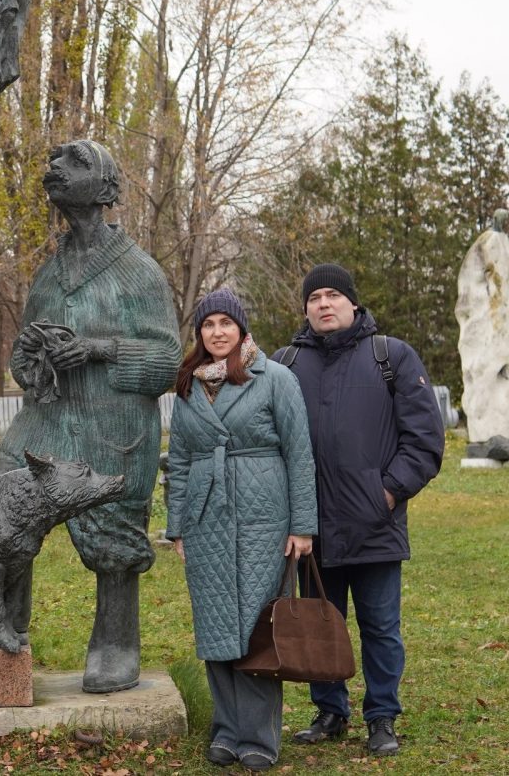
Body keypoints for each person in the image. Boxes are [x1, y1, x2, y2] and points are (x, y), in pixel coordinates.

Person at [0, 139, 182, 693]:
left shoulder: (138, 272)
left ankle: (116, 645)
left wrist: (97, 349)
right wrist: (34, 358)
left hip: (112, 425)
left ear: (106, 189)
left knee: (113, 540)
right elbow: (24, 354)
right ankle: (4, 631)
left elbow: (167, 361)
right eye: (53, 161)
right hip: (47, 418)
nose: (55, 167)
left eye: (74, 162)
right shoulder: (50, 273)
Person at [272, 263, 444, 757]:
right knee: (320, 623)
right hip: (312, 527)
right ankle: (330, 711)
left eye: (332, 295)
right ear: (305, 309)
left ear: (352, 302)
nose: (324, 304)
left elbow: (424, 440)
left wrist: (386, 493)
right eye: (314, 298)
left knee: (381, 629)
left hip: (374, 524)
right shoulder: (285, 365)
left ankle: (382, 716)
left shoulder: (391, 356)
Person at [165, 288, 317, 772]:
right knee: (215, 625)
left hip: (262, 519)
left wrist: (303, 526)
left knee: (256, 627)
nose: (217, 333)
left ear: (241, 328)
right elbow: (180, 461)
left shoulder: (276, 379)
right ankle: (226, 731)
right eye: (208, 325)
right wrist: (177, 527)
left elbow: (299, 454)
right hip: (205, 520)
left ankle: (258, 738)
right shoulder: (188, 385)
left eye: (225, 323)